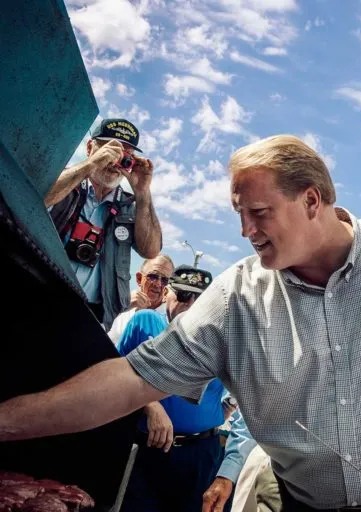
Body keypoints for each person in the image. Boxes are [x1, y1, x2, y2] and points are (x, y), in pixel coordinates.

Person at [0, 135, 361, 510]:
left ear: (312, 200)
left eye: (259, 212)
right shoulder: (234, 298)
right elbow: (130, 381)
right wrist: (7, 421)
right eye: (238, 214)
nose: (246, 229)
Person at [116, 264, 232, 512]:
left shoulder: (220, 338)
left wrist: (228, 406)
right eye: (183, 295)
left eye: (199, 298)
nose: (190, 304)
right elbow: (117, 373)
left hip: (200, 454)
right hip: (147, 448)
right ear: (167, 292)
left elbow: (245, 386)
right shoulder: (143, 322)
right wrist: (151, 404)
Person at [46, 118, 162, 330]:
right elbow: (41, 198)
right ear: (90, 147)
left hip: (90, 316)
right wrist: (90, 165)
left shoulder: (129, 206)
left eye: (124, 155)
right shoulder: (66, 182)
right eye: (111, 149)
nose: (115, 161)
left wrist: (143, 192)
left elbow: (151, 250)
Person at [107, 254, 175, 344]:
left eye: (164, 280)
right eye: (153, 276)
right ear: (139, 278)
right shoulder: (118, 305)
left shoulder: (170, 319)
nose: (158, 284)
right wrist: (121, 305)